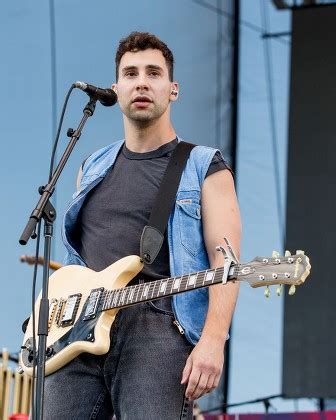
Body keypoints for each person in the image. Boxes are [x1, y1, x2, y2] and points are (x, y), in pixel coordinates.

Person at [44, 31, 241, 419]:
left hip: (157, 328)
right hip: (79, 330)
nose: (142, 82)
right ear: (116, 89)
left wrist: (214, 340)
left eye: (154, 73)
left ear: (173, 89)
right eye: (130, 73)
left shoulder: (204, 165)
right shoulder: (92, 166)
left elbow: (227, 263)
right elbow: (75, 260)